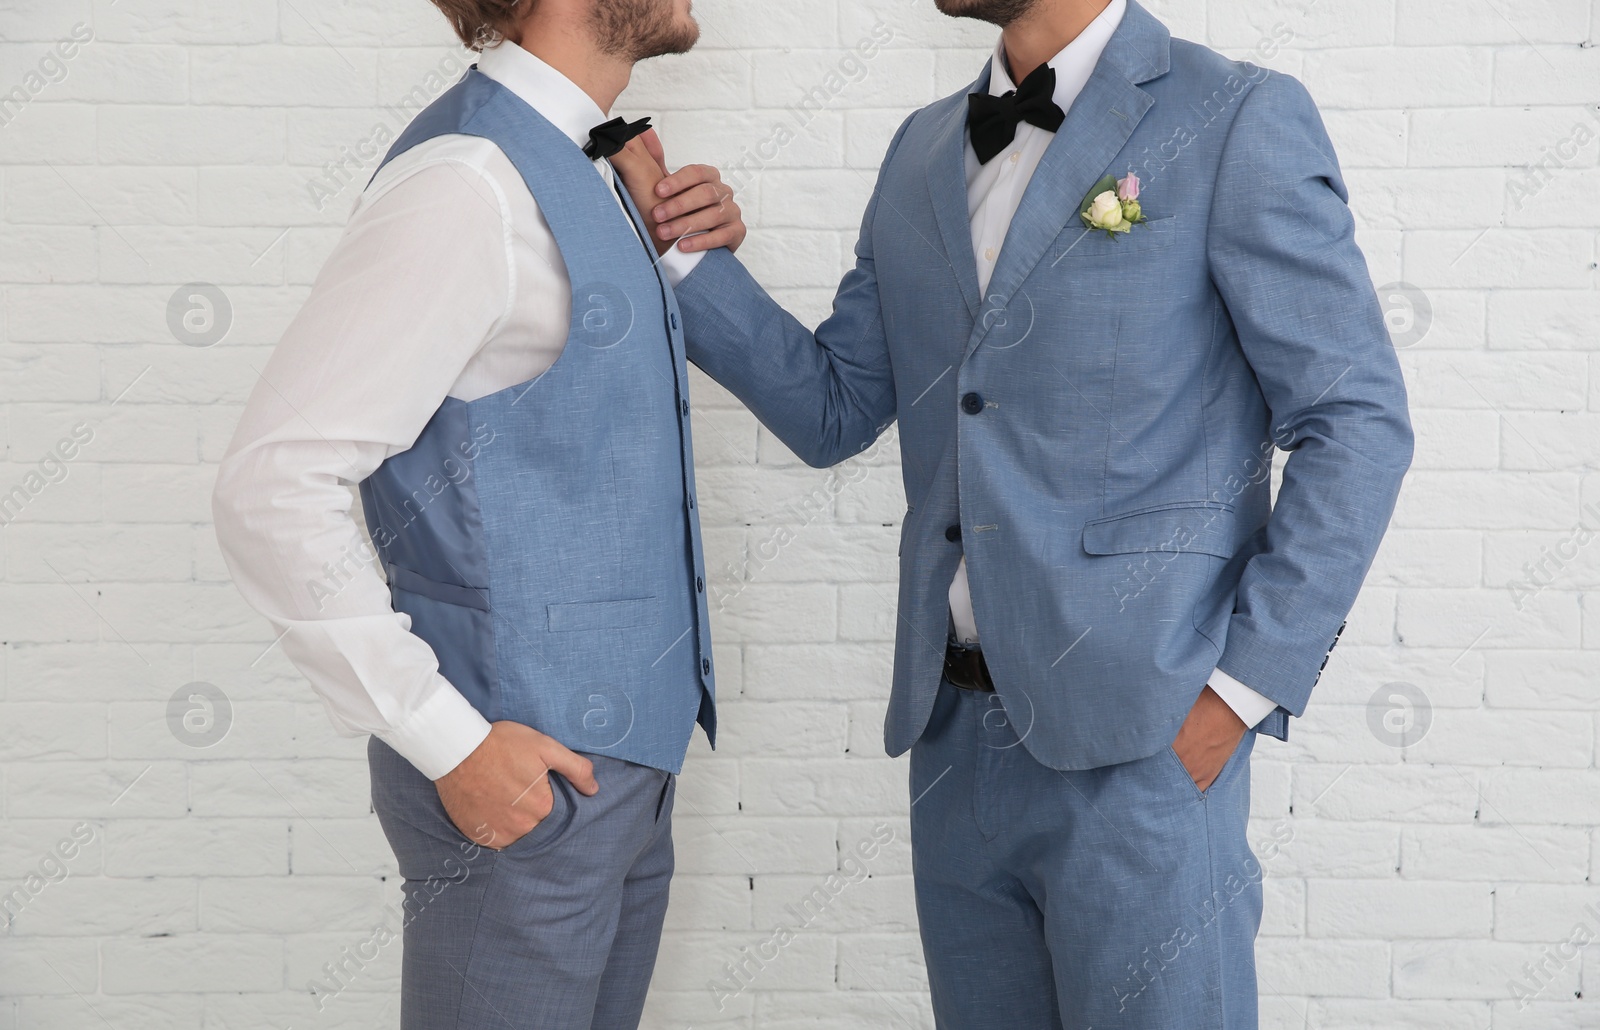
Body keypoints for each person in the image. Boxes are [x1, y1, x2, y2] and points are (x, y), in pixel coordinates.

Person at [615, 0, 1413, 1024]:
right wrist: (683, 258)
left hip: (1146, 746)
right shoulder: (918, 152)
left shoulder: (1233, 117)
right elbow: (834, 406)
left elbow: (1355, 420)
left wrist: (1237, 695)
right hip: (954, 745)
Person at [211, 1, 745, 1026]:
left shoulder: (588, 163)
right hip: (518, 783)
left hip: (616, 778)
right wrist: (447, 740)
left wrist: (680, 244)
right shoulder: (465, 185)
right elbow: (272, 483)